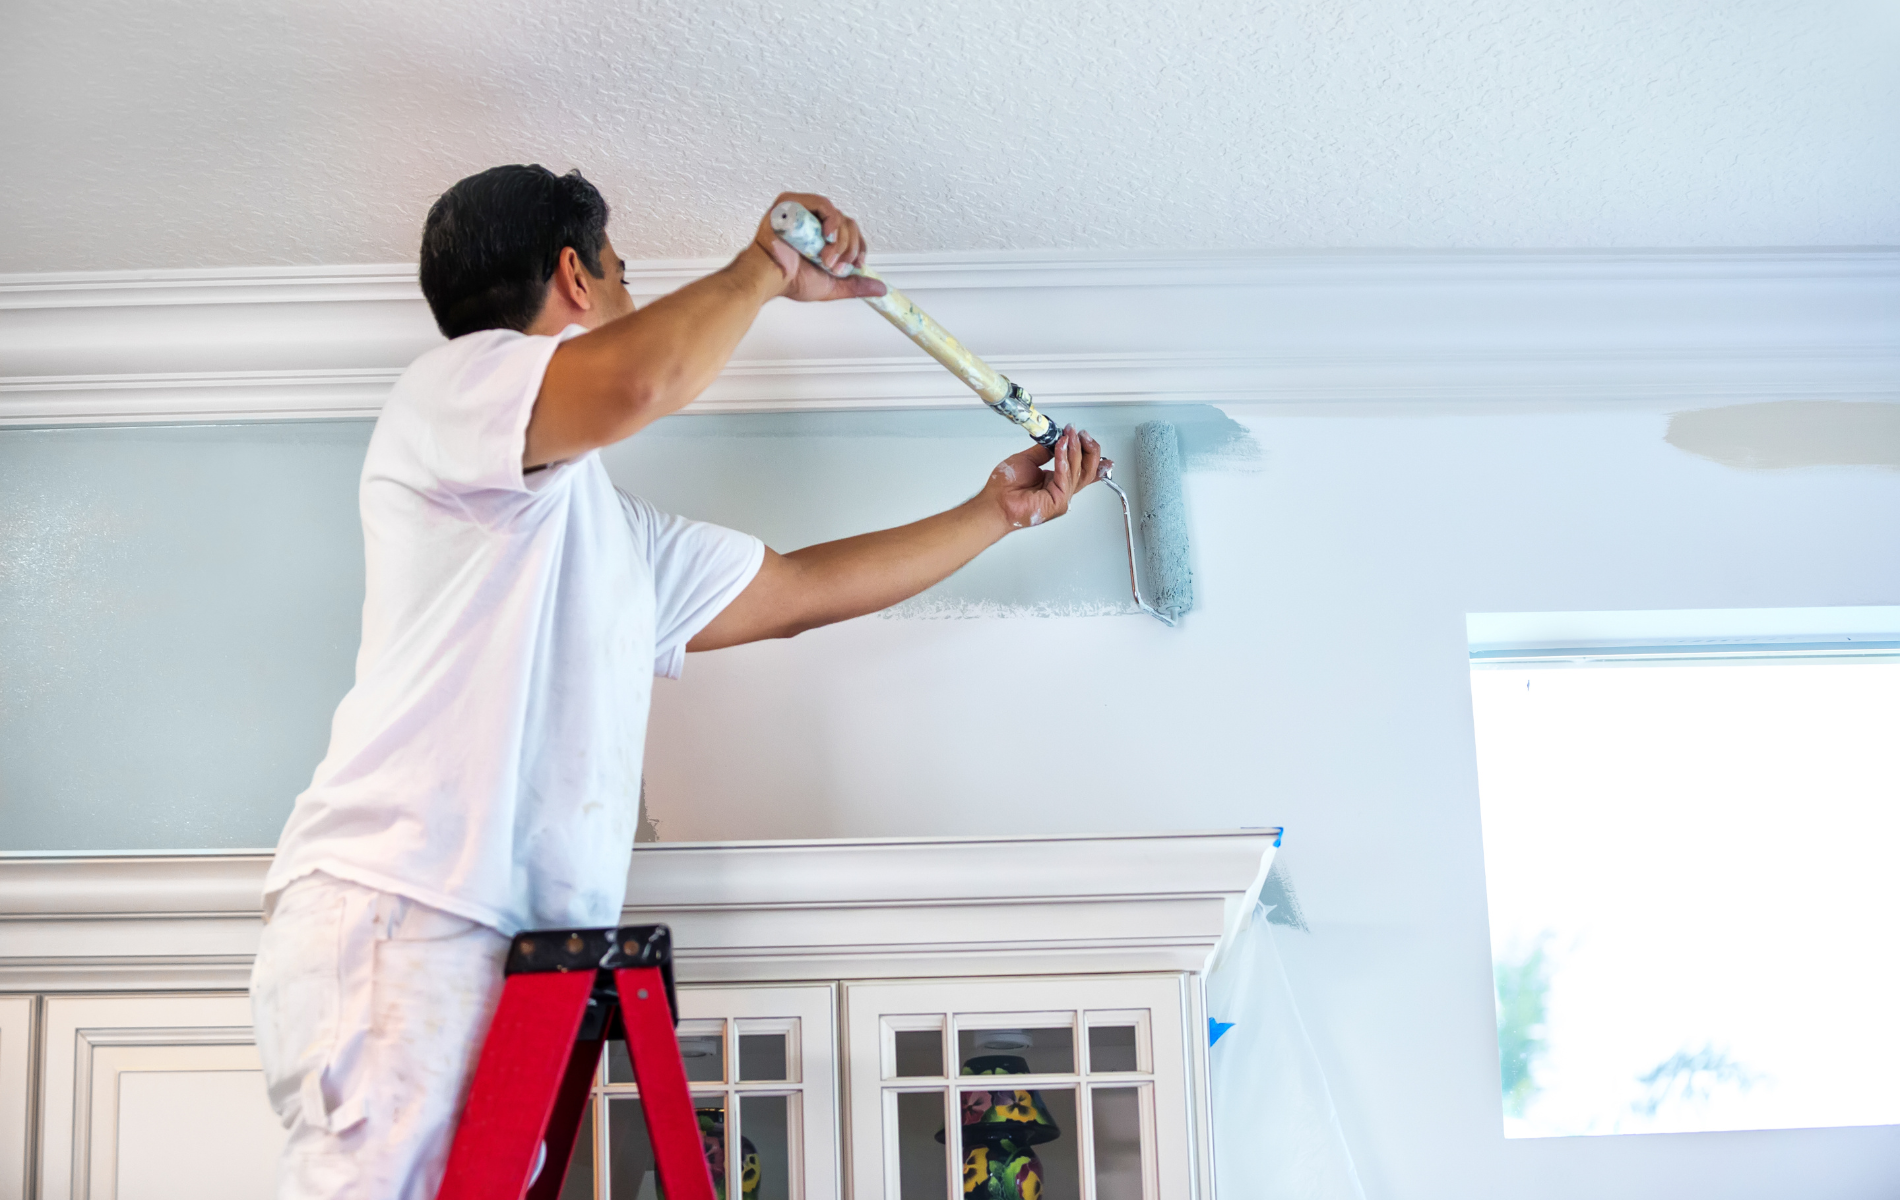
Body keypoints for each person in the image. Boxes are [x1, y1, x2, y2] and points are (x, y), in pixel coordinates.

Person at [248, 164, 1108, 1199]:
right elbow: (636, 382)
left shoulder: (605, 534)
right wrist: (764, 267)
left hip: (512, 947)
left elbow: (796, 591)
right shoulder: (452, 391)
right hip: (411, 906)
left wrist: (996, 514)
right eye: (622, 274)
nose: (630, 296)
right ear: (575, 277)